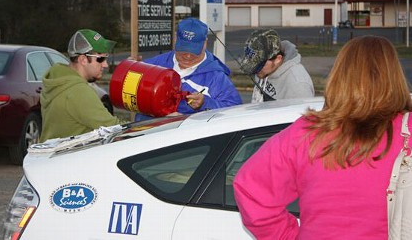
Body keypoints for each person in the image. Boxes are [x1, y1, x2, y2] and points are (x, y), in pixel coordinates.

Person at [233, 36, 412, 239]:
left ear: (339, 75)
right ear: (395, 75)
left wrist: (289, 236)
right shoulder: (408, 130)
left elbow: (250, 189)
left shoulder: (305, 133)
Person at [134, 17, 242, 121]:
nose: (188, 56)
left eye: (193, 51)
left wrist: (205, 103)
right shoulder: (154, 65)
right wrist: (130, 69)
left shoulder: (216, 77)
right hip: (149, 135)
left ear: (205, 43)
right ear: (175, 39)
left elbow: (235, 112)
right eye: (183, 50)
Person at [40, 29, 122, 142]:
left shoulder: (58, 80)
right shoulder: (78, 91)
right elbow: (115, 129)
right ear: (83, 59)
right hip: (70, 158)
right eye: (100, 59)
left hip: (54, 157)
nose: (105, 64)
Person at [240, 29, 314, 103]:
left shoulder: (298, 85)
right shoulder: (262, 71)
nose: (254, 70)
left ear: (278, 59)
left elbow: (300, 114)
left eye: (259, 65)